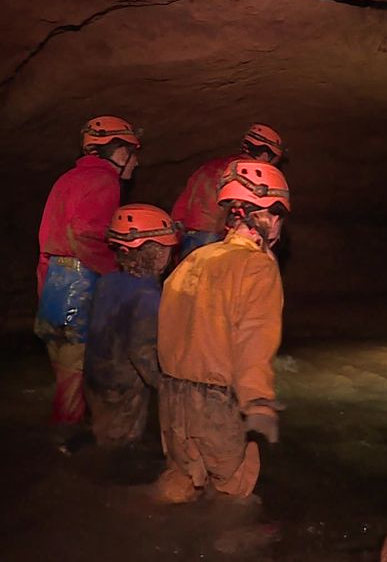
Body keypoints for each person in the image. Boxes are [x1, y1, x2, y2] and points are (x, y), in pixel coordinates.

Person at [154, 157, 291, 503]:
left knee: (179, 485)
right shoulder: (257, 267)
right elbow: (254, 339)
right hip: (214, 403)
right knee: (233, 492)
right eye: (279, 216)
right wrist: (258, 402)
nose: (279, 225)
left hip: (171, 397)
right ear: (267, 215)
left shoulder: (195, 259)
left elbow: (167, 330)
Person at [35, 115, 141, 431]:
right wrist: (119, 273)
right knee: (80, 371)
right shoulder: (104, 180)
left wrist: (43, 291)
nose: (136, 161)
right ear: (118, 151)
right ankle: (69, 441)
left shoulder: (66, 180)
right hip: (80, 285)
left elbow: (47, 241)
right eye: (133, 152)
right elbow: (83, 233)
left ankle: (71, 432)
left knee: (65, 371)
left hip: (54, 284)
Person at [83, 203, 178, 447]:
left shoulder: (107, 281)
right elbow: (143, 352)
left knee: (100, 432)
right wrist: (170, 388)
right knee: (121, 444)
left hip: (95, 380)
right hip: (123, 390)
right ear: (155, 252)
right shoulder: (147, 296)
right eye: (167, 248)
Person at [171, 123, 285, 259]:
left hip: (190, 240)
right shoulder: (254, 179)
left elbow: (180, 209)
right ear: (266, 156)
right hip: (220, 242)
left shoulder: (209, 167)